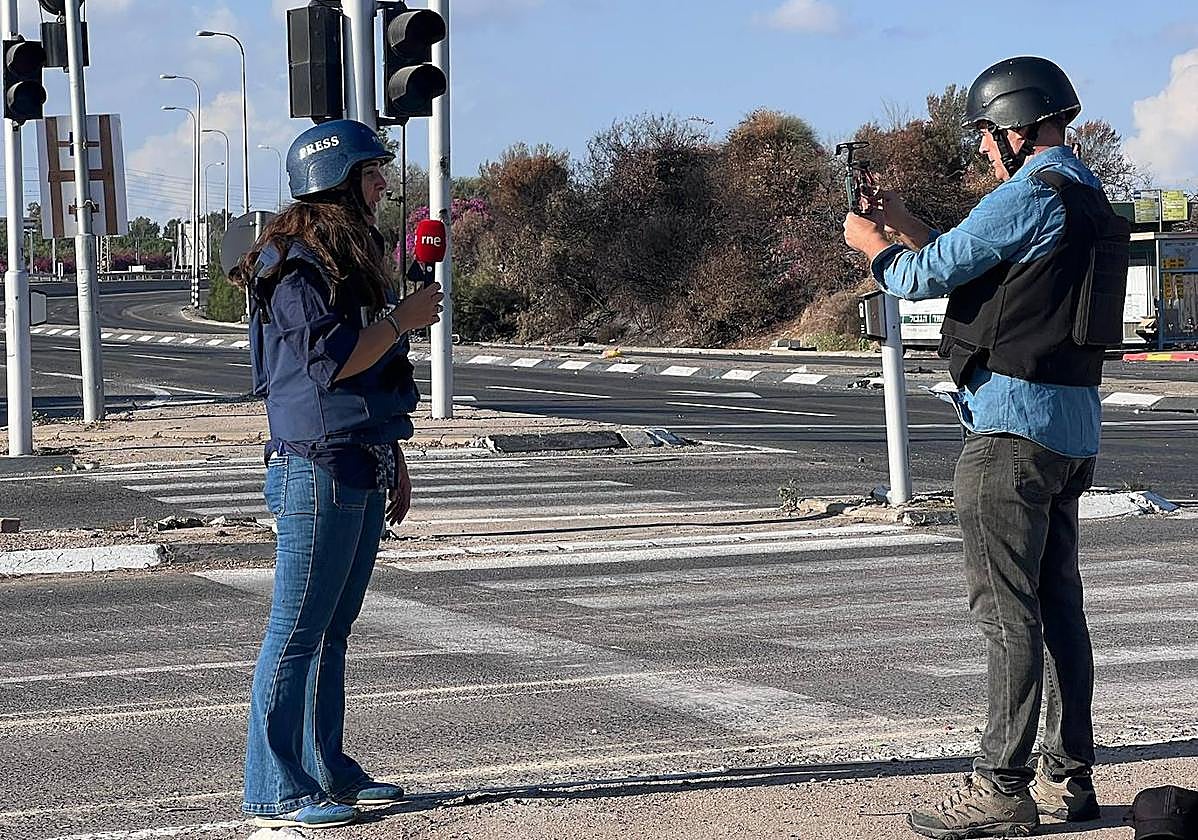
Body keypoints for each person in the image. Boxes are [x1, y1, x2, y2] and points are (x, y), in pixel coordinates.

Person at [843, 56, 1130, 839]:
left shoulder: (1027, 191)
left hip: (1009, 435)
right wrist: (903, 221)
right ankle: (1066, 780)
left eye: (983, 134)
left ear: (1015, 126)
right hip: (1071, 432)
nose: (979, 149)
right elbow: (992, 272)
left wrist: (874, 247)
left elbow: (929, 275)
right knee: (1059, 609)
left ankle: (999, 787)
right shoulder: (1084, 195)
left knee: (1007, 617)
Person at [237, 119, 444, 830]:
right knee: (295, 630)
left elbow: (371, 376)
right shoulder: (292, 263)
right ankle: (277, 789)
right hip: (313, 465)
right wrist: (403, 318)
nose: (385, 183)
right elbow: (331, 362)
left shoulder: (342, 257)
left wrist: (396, 453)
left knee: (332, 631)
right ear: (337, 180)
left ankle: (328, 769)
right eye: (372, 172)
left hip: (357, 455)